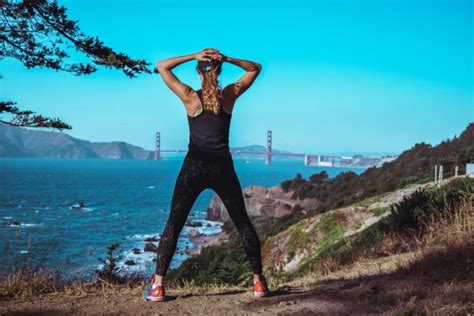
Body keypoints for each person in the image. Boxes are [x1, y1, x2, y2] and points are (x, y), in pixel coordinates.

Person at [143, 48, 270, 302]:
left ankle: (157, 286)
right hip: (222, 167)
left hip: (194, 167)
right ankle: (258, 284)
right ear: (220, 71)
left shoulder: (190, 97)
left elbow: (162, 66)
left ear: (199, 74)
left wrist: (193, 56)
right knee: (242, 222)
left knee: (174, 223)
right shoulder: (229, 97)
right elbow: (255, 67)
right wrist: (229, 59)